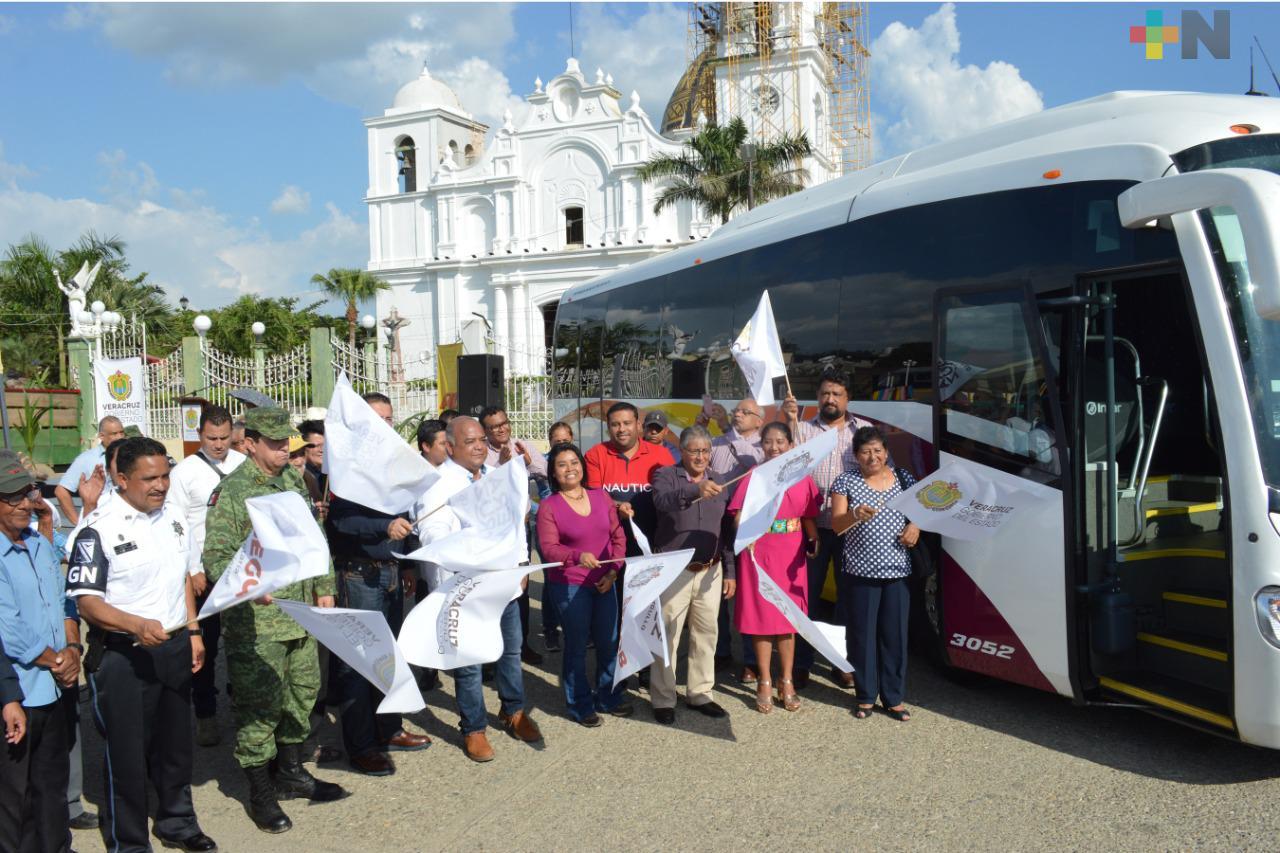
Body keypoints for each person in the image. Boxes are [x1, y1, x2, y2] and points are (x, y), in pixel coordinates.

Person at [65, 437, 216, 853]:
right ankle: (128, 842)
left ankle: (177, 822)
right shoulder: (97, 531)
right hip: (123, 655)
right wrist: (134, 623)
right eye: (150, 478)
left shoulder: (172, 517)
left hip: (173, 646)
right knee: (127, 758)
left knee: (175, 746)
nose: (161, 486)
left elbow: (183, 576)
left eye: (165, 476)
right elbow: (87, 602)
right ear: (120, 478)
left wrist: (193, 630)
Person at [202, 407, 346, 834]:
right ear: (250, 444)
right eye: (276, 442)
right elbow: (216, 556)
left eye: (288, 442)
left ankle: (291, 773)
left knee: (302, 696)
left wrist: (325, 583)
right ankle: (261, 792)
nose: (286, 449)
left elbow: (313, 539)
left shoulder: (291, 481)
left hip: (300, 615)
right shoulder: (232, 491)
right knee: (259, 709)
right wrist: (247, 587)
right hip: (259, 622)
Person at [415, 416, 542, 762]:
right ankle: (473, 728)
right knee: (469, 664)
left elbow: (516, 524)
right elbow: (432, 531)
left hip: (504, 585)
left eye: (482, 440)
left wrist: (521, 565)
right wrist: (465, 544)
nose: (478, 446)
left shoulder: (493, 477)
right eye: (469, 441)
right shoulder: (438, 484)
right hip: (465, 589)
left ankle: (513, 710)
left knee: (510, 652)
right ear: (450, 446)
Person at [326, 393, 430, 777]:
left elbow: (402, 510)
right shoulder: (344, 467)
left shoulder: (391, 462)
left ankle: (389, 728)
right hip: (358, 575)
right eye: (376, 419)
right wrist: (381, 527)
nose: (384, 425)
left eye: (388, 418)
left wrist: (405, 562)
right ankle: (362, 746)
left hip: (390, 571)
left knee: (389, 657)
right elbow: (339, 523)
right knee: (356, 664)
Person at [0, 449, 77, 853]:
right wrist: (55, 659)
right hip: (20, 690)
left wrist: (73, 649)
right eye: (11, 497)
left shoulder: (37, 542)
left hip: (56, 685)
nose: (22, 504)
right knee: (16, 798)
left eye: (26, 493)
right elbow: (7, 628)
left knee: (52, 784)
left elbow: (64, 599)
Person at [781, 368, 871, 689]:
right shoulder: (803, 430)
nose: (830, 399)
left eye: (837, 394)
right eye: (825, 393)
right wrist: (789, 419)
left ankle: (840, 662)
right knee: (809, 597)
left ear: (848, 398)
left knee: (848, 599)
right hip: (811, 529)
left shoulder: (863, 431)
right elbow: (787, 468)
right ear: (817, 397)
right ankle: (802, 662)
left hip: (850, 530)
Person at [165, 405, 246, 749]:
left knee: (246, 645)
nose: (218, 444)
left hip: (242, 571)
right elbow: (177, 525)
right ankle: (206, 714)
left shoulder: (244, 466)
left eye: (224, 437)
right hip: (204, 576)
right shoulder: (184, 473)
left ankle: (245, 708)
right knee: (206, 648)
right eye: (211, 438)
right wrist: (193, 568)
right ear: (200, 435)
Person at [726, 422, 820, 713]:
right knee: (763, 618)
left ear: (791, 445)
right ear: (761, 446)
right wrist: (746, 529)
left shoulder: (803, 477)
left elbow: (808, 515)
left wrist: (814, 538)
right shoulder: (753, 476)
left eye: (781, 441)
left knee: (788, 619)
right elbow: (737, 516)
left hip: (791, 552)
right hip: (759, 551)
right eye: (768, 442)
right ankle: (765, 680)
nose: (775, 447)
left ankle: (787, 679)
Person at [535, 443, 630, 726]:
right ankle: (579, 703)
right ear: (553, 472)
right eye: (562, 464)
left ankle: (608, 696)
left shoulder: (601, 497)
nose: (570, 469)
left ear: (582, 465)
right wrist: (576, 556)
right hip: (570, 585)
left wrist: (613, 571)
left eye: (574, 462)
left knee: (609, 642)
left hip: (605, 581)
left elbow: (618, 538)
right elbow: (549, 549)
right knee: (576, 645)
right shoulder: (549, 506)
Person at [830, 426, 919, 722]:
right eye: (866, 451)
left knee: (894, 636)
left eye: (878, 450)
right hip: (860, 571)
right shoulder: (846, 482)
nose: (872, 456)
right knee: (862, 637)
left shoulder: (904, 479)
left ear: (886, 452)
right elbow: (837, 526)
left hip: (897, 571)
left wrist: (914, 526)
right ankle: (866, 696)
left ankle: (894, 698)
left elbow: (921, 512)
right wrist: (854, 515)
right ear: (856, 456)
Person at [648, 425, 736, 725]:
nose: (701, 456)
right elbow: (662, 501)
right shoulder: (665, 475)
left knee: (706, 634)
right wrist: (695, 489)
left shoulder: (720, 479)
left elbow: (725, 529)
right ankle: (663, 697)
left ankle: (699, 692)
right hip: (675, 569)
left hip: (710, 569)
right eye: (694, 451)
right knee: (668, 634)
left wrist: (730, 570)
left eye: (705, 451)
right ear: (682, 451)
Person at [478, 406, 546, 666]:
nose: (502, 429)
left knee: (521, 587)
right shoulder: (481, 454)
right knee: (493, 588)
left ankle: (521, 643)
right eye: (495, 426)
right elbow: (483, 489)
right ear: (486, 430)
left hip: (520, 530)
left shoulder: (521, 444)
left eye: (504, 423)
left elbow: (545, 471)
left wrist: (527, 462)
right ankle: (493, 649)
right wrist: (504, 468)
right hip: (493, 531)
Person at [709, 398, 767, 678]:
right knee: (717, 590)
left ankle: (749, 658)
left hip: (748, 525)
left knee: (746, 593)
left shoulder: (765, 447)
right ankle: (720, 651)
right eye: (737, 410)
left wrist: (725, 429)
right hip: (718, 522)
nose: (738, 414)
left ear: (759, 421)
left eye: (746, 412)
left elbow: (760, 469)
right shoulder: (716, 442)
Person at [584, 402, 674, 554]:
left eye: (627, 423)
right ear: (608, 427)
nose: (621, 429)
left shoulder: (662, 455)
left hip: (653, 541)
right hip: (610, 543)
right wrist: (618, 507)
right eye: (615, 424)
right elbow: (595, 499)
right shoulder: (595, 455)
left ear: (638, 425)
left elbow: (672, 496)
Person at [538, 422, 574, 652]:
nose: (561, 443)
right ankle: (551, 630)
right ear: (550, 441)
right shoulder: (540, 462)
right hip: (549, 528)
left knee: (576, 577)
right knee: (552, 579)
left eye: (565, 439)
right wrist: (538, 512)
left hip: (573, 527)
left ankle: (577, 628)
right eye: (557, 440)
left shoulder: (577, 461)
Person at [54, 416, 125, 525]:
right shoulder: (87, 459)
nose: (120, 437)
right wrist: (79, 523)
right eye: (114, 434)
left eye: (122, 433)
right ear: (102, 436)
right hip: (100, 522)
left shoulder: (131, 455)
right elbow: (61, 491)